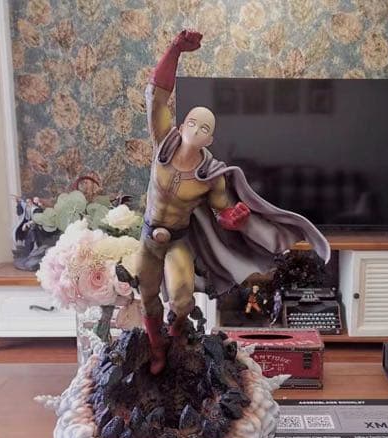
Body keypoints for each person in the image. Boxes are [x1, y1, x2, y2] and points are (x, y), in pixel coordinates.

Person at [136, 29, 330, 375]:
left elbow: (222, 211)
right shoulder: (163, 145)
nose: (196, 129)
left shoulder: (211, 175)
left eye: (204, 127)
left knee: (181, 299)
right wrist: (175, 49)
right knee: (146, 294)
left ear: (210, 138)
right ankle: (156, 348)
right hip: (149, 237)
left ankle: (175, 332)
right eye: (192, 122)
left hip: (178, 241)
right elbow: (156, 95)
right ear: (182, 124)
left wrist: (236, 220)